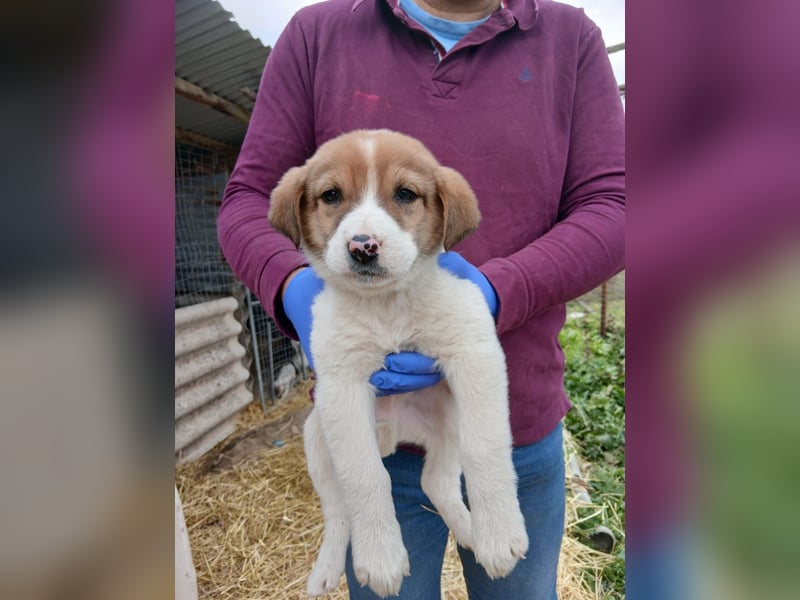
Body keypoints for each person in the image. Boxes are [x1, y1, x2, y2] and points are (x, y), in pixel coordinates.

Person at [217, 1, 624, 598]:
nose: (365, 231)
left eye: (404, 195)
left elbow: (616, 207)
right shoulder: (318, 35)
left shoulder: (571, 40)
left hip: (514, 424)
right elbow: (251, 197)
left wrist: (496, 289)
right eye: (335, 197)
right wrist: (290, 284)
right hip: (371, 436)